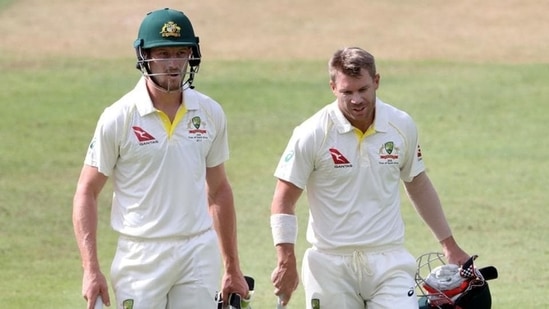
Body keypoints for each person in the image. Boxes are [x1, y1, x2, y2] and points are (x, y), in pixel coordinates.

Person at [72, 8, 248, 309]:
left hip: (197, 251)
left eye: (181, 53)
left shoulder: (209, 112)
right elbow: (86, 192)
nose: (173, 64)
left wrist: (232, 266)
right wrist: (90, 269)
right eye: (163, 54)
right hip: (141, 255)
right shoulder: (118, 117)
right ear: (145, 57)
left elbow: (219, 190)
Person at [269, 47, 471, 309]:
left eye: (363, 89)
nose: (356, 100)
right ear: (333, 87)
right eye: (347, 92)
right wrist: (286, 261)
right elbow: (283, 201)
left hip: (388, 260)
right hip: (330, 265)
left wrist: (449, 246)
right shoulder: (312, 133)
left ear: (376, 81)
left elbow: (417, 183)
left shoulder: (400, 125)